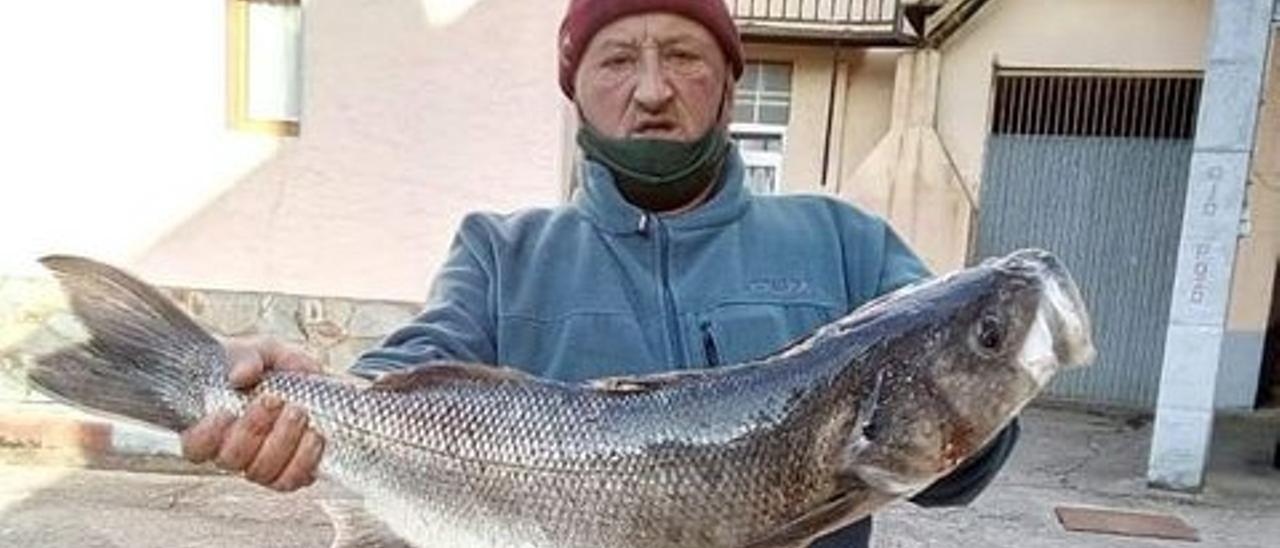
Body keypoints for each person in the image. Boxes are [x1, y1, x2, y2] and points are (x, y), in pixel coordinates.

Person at [179, 0, 1020, 545]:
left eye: (686, 55)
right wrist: (296, 402)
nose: (653, 89)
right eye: (617, 59)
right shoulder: (501, 252)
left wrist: (979, 413)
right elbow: (402, 385)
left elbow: (952, 470)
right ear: (574, 88)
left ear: (732, 79)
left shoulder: (847, 243)